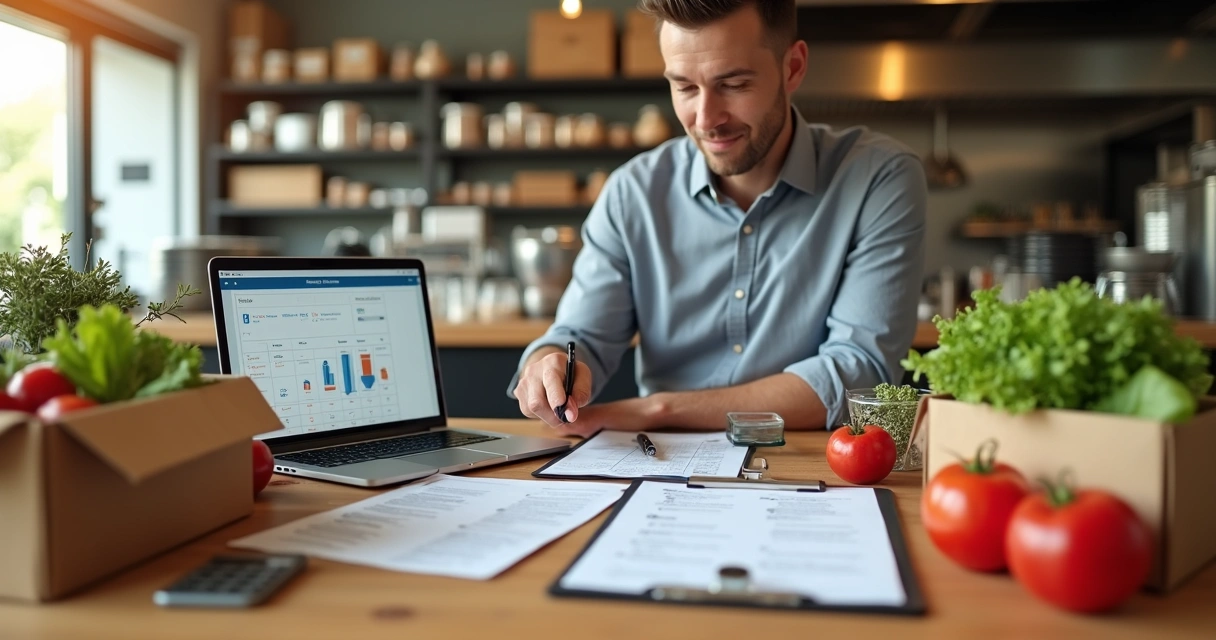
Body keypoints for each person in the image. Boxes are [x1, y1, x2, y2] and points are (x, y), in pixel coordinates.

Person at [507, 0, 926, 437]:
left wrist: (660, 410)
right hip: (661, 470)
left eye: (734, 84)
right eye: (685, 87)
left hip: (811, 465)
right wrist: (551, 362)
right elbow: (581, 336)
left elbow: (859, 371)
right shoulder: (632, 193)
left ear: (793, 68)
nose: (706, 119)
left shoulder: (879, 177)